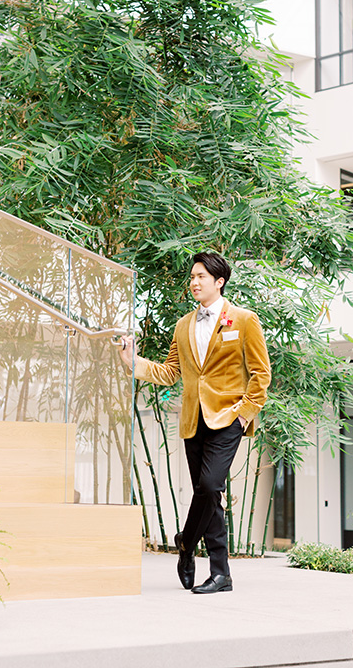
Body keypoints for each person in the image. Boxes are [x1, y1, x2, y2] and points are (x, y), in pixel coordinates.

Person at [120, 252, 271, 594]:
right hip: (193, 420)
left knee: (210, 483)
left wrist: (245, 413)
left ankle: (186, 543)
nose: (194, 282)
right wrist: (134, 362)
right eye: (192, 276)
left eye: (201, 276)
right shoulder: (184, 324)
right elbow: (170, 372)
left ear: (219, 282)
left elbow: (261, 373)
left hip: (229, 417)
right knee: (210, 495)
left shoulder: (244, 320)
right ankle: (221, 574)